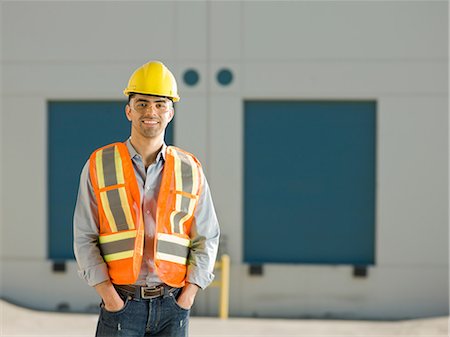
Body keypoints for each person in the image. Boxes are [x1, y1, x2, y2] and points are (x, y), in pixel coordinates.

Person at [73, 60, 220, 337]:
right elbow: (84, 236)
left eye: (160, 104)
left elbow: (207, 237)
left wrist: (188, 295)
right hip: (121, 304)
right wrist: (109, 297)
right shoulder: (100, 164)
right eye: (141, 103)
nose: (150, 111)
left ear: (170, 112)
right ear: (128, 111)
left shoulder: (190, 168)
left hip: (173, 305)